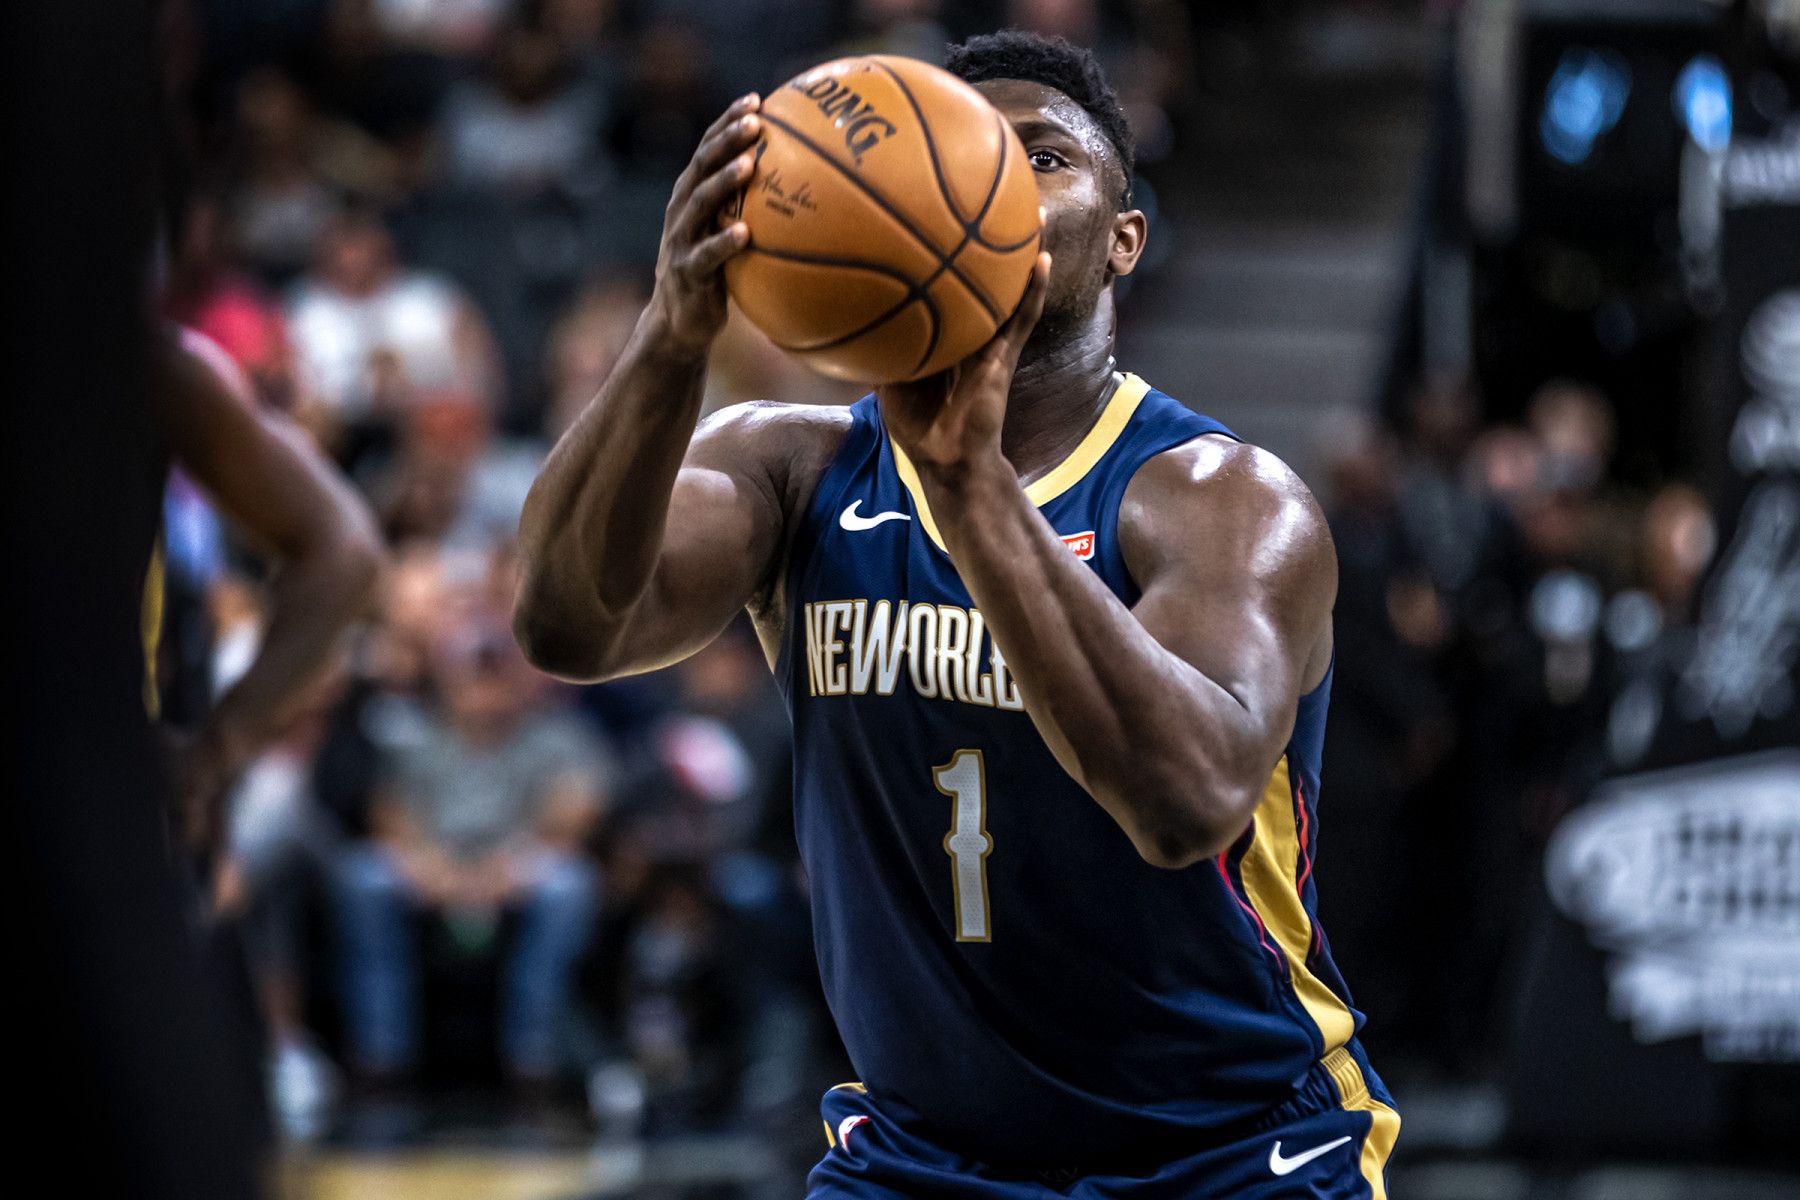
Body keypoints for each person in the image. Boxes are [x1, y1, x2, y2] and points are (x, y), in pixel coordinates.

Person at [513, 31, 1399, 1199]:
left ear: (1123, 239)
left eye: (1044, 158)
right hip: (921, 1156)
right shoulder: (793, 467)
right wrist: (672, 336)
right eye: (970, 150)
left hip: (1227, 1151)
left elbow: (1186, 801)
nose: (995, 182)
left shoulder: (1220, 500)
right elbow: (568, 626)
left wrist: (972, 490)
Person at [334, 618, 609, 1089]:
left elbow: (577, 813)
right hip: (435, 864)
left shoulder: (555, 733)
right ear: (448, 676)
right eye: (474, 671)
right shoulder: (418, 734)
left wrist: (507, 867)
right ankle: (382, 1055)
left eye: (496, 670)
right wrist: (428, 864)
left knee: (568, 885)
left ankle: (534, 1056)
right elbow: (388, 813)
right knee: (363, 877)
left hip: (520, 863)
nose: (485, 685)